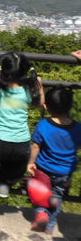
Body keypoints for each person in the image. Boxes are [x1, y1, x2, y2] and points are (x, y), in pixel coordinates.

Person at [0, 52, 44, 198]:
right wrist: (39, 84)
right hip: (21, 141)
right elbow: (41, 102)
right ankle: (4, 186)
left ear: (2, 70)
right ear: (25, 72)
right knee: (14, 168)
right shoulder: (28, 91)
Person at [27, 86, 81, 234]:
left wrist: (31, 163)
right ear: (70, 106)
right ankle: (50, 226)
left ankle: (41, 213)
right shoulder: (78, 128)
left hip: (43, 169)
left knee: (40, 194)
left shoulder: (43, 125)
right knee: (56, 197)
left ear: (46, 106)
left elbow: (36, 147)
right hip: (64, 172)